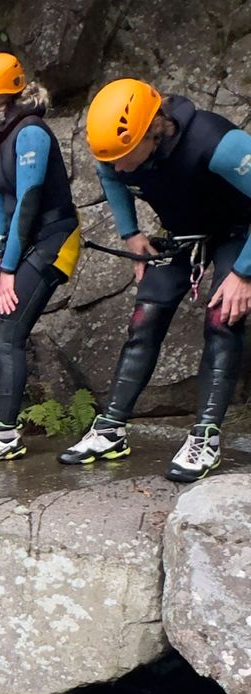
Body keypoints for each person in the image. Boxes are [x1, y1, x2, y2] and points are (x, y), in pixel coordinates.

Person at [60, 78, 251, 481]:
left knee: (222, 319)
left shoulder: (215, 142)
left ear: (152, 132)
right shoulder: (115, 150)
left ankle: (206, 435)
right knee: (144, 318)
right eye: (107, 157)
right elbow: (111, 177)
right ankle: (111, 428)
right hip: (184, 235)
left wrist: (243, 274)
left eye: (122, 156)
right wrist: (131, 232)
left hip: (239, 232)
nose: (114, 165)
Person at [0, 52, 81, 464]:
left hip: (55, 239)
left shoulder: (31, 134)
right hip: (22, 245)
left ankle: (6, 435)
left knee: (8, 332)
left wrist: (8, 270)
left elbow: (27, 202)